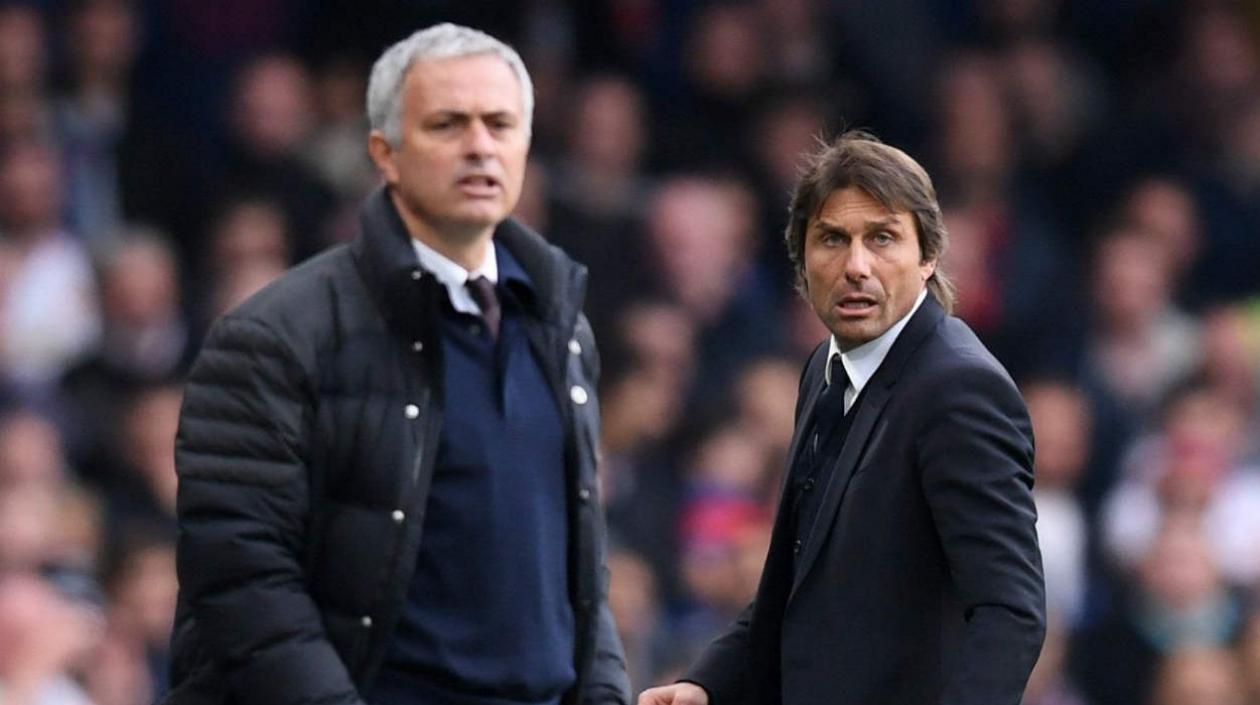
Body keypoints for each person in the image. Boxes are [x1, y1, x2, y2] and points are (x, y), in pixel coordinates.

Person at [163, 23, 630, 705]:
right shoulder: (273, 337)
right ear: (385, 152)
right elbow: (242, 583)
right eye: (448, 124)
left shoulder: (564, 331)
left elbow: (584, 570)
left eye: (501, 124)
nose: (479, 146)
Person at [639, 131, 1045, 705]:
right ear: (802, 261)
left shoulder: (959, 390)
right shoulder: (823, 370)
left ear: (927, 257)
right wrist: (705, 684)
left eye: (882, 239)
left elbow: (1010, 612)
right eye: (832, 239)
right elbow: (797, 589)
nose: (856, 266)